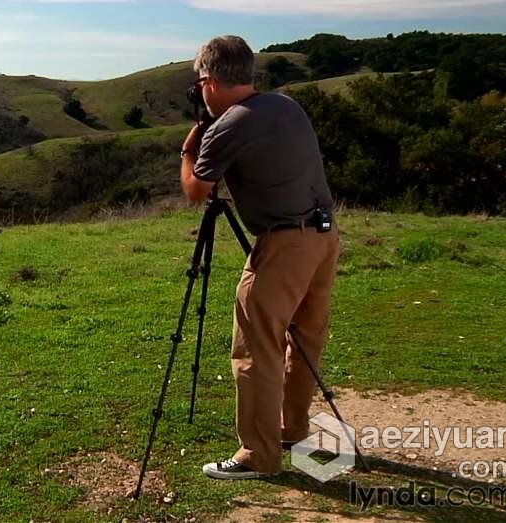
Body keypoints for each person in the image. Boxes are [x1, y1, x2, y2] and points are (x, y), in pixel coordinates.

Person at [179, 35, 341, 480]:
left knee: (256, 347)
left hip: (285, 242)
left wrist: (189, 149)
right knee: (305, 337)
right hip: (325, 235)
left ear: (209, 81)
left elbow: (198, 191)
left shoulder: (229, 126)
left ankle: (258, 455)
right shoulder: (286, 105)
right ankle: (292, 429)